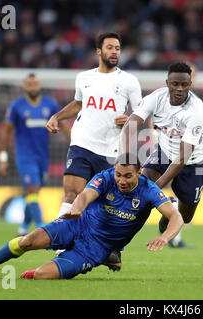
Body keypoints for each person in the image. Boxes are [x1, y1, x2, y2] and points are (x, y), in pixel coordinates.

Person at [0, 153, 183, 280]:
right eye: (118, 175)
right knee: (27, 241)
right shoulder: (105, 177)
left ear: (139, 172)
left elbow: (176, 217)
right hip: (77, 223)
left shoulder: (149, 190)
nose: (121, 180)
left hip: (96, 248)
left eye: (127, 176)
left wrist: (165, 237)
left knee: (41, 276)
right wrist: (76, 207)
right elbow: (86, 195)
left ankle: (50, 268)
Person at [45, 32, 142, 230]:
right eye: (110, 47)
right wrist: (56, 116)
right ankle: (60, 244)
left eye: (117, 48)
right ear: (99, 51)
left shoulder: (129, 81)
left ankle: (107, 248)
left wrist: (130, 120)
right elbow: (78, 104)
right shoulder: (84, 78)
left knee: (106, 203)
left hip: (110, 149)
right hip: (82, 143)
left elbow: (141, 112)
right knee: (71, 194)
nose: (114, 52)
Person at [120, 61, 203, 249]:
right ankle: (115, 244)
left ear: (190, 85)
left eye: (184, 85)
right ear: (167, 82)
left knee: (184, 217)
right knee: (138, 191)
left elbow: (183, 157)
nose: (179, 88)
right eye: (175, 84)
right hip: (164, 152)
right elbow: (129, 127)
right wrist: (125, 160)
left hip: (192, 161)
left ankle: (171, 209)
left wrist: (158, 188)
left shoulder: (197, 111)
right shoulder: (156, 98)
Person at [0, 73, 70, 236]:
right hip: (24, 155)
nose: (33, 87)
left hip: (43, 156)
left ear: (39, 85)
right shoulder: (17, 106)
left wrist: (75, 144)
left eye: (35, 84)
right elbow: (6, 132)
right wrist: (3, 158)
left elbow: (63, 123)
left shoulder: (50, 104)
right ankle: (40, 228)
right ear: (25, 87)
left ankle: (23, 226)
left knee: (34, 192)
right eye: (29, 84)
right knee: (33, 188)